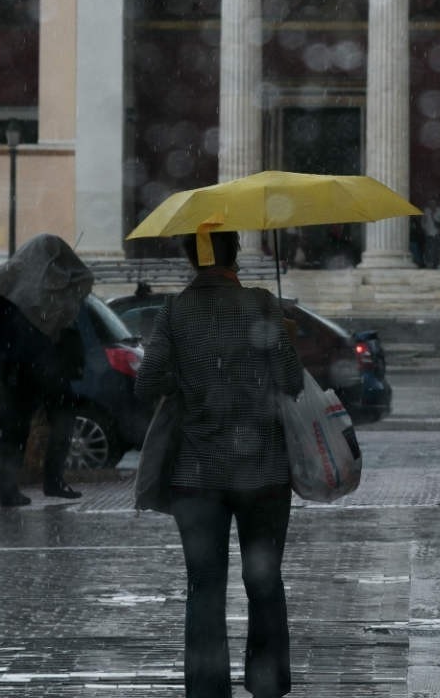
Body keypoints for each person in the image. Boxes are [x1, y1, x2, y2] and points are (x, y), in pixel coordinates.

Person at [135, 230, 303, 698]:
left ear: (192, 258)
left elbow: (146, 385)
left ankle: (207, 690)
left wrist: (189, 377)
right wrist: (282, 337)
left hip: (196, 474)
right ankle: (267, 682)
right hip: (264, 472)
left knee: (203, 588)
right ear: (236, 255)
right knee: (264, 580)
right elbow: (291, 381)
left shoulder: (174, 311)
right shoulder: (262, 304)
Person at [0, 235, 91, 507]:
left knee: (12, 427)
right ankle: (52, 480)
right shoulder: (52, 284)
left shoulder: (7, 279)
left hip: (12, 366)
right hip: (45, 367)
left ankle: (8, 488)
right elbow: (70, 312)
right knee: (61, 419)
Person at [421, 200, 440, 268]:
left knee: (439, 249)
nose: (432, 205)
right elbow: (423, 221)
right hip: (429, 233)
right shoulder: (426, 211)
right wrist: (424, 229)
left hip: (438, 233)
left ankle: (438, 263)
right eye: (430, 203)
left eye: (433, 203)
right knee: (429, 249)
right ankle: (430, 263)